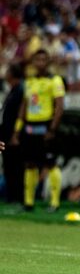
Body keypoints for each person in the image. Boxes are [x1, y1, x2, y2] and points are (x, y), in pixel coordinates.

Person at [10, 49, 65, 212]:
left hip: (46, 125)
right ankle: (28, 202)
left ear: (48, 62)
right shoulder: (29, 81)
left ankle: (54, 203)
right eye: (37, 60)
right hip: (30, 126)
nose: (40, 63)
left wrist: (53, 128)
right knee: (29, 164)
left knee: (51, 163)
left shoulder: (55, 80)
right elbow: (24, 106)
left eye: (43, 59)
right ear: (33, 62)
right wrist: (17, 131)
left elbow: (60, 106)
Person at [0, 64, 25, 204]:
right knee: (9, 166)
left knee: (15, 166)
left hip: (14, 135)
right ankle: (10, 197)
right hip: (6, 134)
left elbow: (21, 114)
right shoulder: (13, 90)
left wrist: (16, 134)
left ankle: (17, 197)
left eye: (7, 70)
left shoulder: (20, 90)